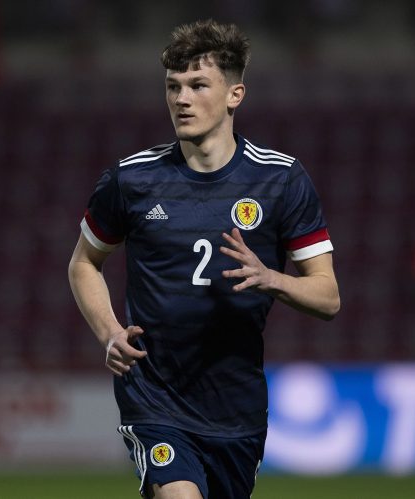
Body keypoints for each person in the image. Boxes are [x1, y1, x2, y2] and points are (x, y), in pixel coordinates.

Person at [68, 19, 340, 499]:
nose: (181, 99)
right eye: (172, 86)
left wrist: (272, 278)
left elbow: (328, 296)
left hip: (236, 409)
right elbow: (84, 263)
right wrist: (109, 331)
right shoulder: (131, 180)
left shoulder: (281, 180)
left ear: (235, 95)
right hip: (154, 396)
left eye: (197, 85)